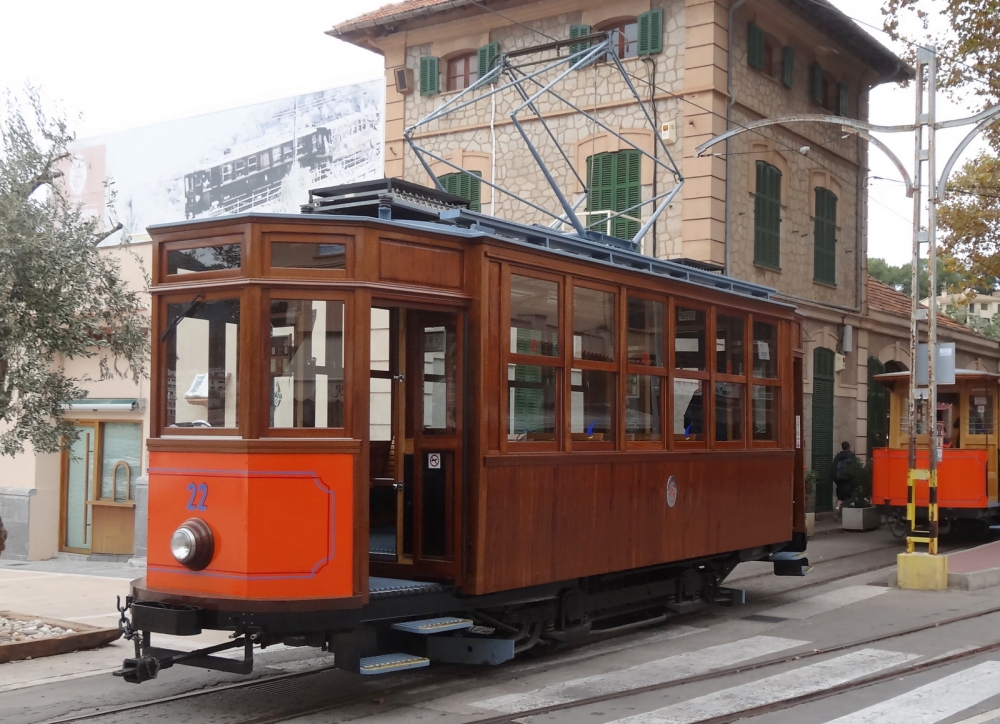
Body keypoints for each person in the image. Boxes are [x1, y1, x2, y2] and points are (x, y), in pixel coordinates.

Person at [831, 441, 857, 519]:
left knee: (840, 498)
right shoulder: (852, 456)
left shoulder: (837, 456)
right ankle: (851, 515)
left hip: (839, 481)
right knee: (851, 496)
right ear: (849, 447)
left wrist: (836, 479)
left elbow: (833, 469)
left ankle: (837, 509)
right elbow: (855, 468)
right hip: (849, 479)